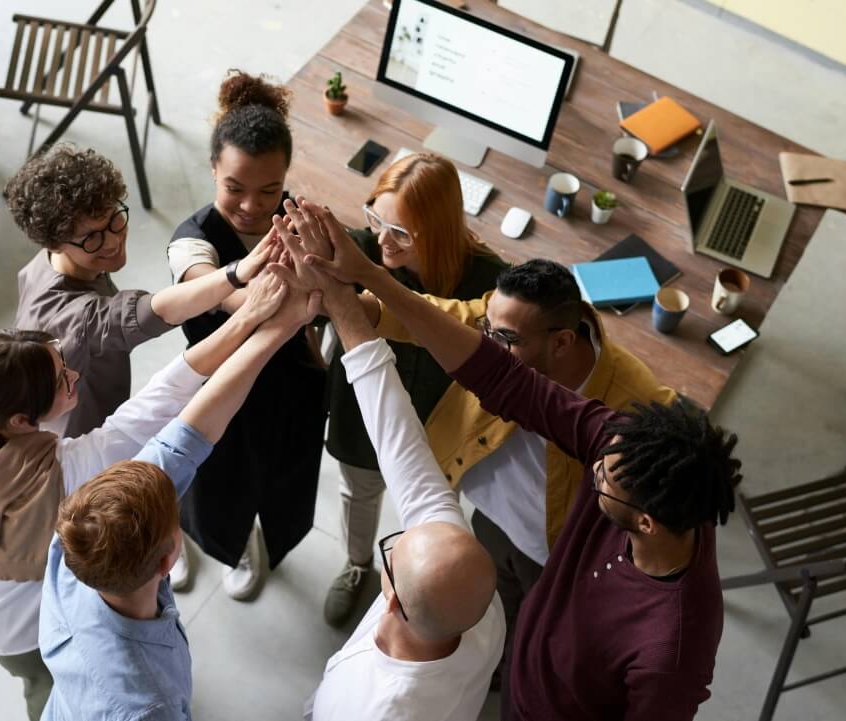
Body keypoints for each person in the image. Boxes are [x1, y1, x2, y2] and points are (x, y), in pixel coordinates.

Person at [285, 199, 743, 721]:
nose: (593, 466)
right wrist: (362, 280)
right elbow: (498, 376)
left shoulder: (674, 648)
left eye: (603, 481)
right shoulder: (627, 446)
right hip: (519, 659)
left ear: (644, 521)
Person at [0, 277, 285, 721]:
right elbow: (164, 398)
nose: (74, 376)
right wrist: (249, 319)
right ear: (23, 419)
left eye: (62, 362)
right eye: (62, 381)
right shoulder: (71, 472)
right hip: (24, 630)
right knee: (50, 696)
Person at [371, 259, 676, 702]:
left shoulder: (635, 401)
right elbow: (433, 316)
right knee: (489, 611)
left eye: (506, 340)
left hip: (552, 554)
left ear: (563, 342)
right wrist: (360, 304)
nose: (486, 348)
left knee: (533, 645)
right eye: (488, 330)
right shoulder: (502, 320)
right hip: (490, 521)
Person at [39, 283, 321, 721]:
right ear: (169, 558)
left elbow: (190, 432)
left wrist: (280, 326)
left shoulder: (75, 544)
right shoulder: (149, 705)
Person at [8, 145, 277, 590]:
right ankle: (162, 545)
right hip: (84, 447)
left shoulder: (48, 265)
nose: (112, 239)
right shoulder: (70, 316)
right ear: (54, 241)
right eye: (92, 237)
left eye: (115, 218)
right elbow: (150, 312)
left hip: (99, 422)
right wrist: (237, 274)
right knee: (139, 502)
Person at [269, 217, 504, 721]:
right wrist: (339, 298)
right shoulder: (479, 608)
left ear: (391, 598)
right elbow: (400, 441)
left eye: (390, 552)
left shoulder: (382, 709)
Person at [320, 152, 506, 627]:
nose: (381, 239)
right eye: (375, 219)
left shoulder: (490, 284)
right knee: (358, 495)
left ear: (439, 232)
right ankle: (358, 564)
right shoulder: (357, 250)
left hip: (442, 433)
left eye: (400, 232)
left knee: (428, 522)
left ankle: (412, 590)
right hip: (363, 419)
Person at [166, 70, 325, 601]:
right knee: (205, 483)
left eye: (269, 190)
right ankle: (181, 542)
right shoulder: (192, 243)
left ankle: (251, 547)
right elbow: (210, 289)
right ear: (213, 169)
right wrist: (258, 298)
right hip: (216, 384)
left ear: (287, 179)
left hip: (287, 387)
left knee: (280, 483)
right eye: (234, 187)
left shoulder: (304, 223)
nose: (253, 206)